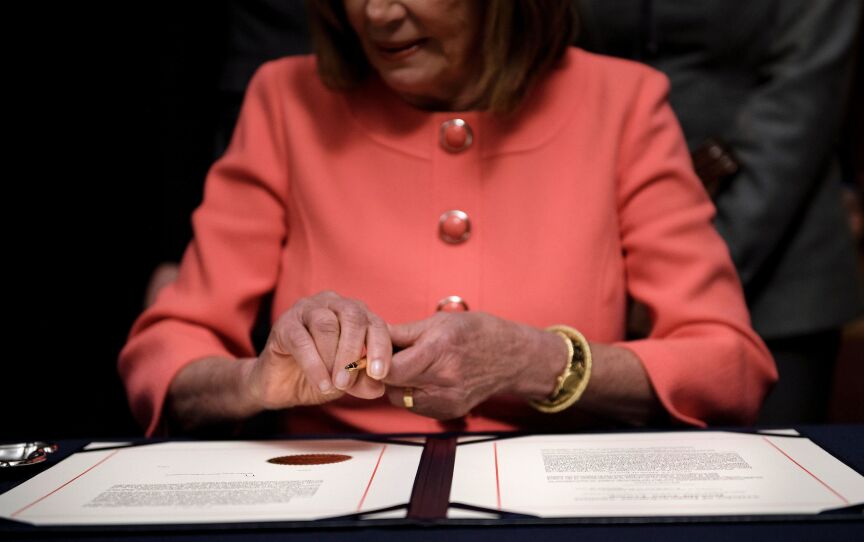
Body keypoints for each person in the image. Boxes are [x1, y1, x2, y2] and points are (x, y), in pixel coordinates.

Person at [119, 0, 777, 437]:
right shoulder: (284, 99)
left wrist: (541, 362)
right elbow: (170, 347)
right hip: (332, 507)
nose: (376, 12)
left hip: (557, 508)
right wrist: (253, 381)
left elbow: (729, 366)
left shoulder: (622, 101)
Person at [574, 0, 864, 424]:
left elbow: (802, 99)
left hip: (776, 255)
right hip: (595, 243)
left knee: (769, 476)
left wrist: (683, 264)